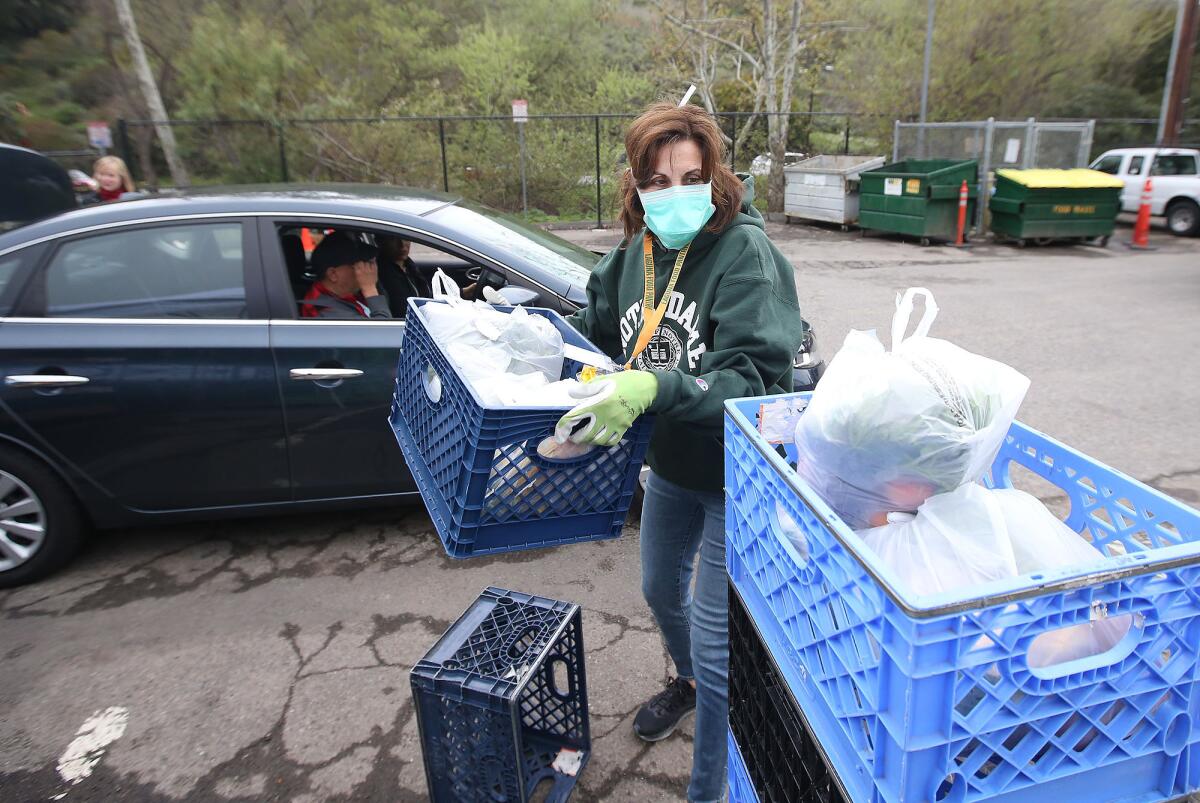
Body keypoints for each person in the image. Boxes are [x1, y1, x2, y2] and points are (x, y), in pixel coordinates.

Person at [558, 101, 803, 803]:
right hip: (670, 465)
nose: (675, 194)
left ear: (715, 175)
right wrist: (523, 336)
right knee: (659, 590)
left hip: (737, 471)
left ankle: (707, 787)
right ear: (635, 186)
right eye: (657, 180)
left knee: (724, 651)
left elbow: (752, 378)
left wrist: (656, 383)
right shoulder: (629, 259)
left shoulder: (744, 254)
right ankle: (690, 681)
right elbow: (590, 330)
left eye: (691, 176)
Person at [300, 232, 392, 319]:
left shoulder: (343, 295)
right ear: (333, 274)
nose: (364, 271)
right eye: (357, 266)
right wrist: (370, 289)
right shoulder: (328, 313)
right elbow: (382, 334)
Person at [376, 235, 431, 317]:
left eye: (405, 238)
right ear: (380, 242)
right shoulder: (381, 273)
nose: (402, 245)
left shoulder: (410, 266)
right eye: (393, 239)